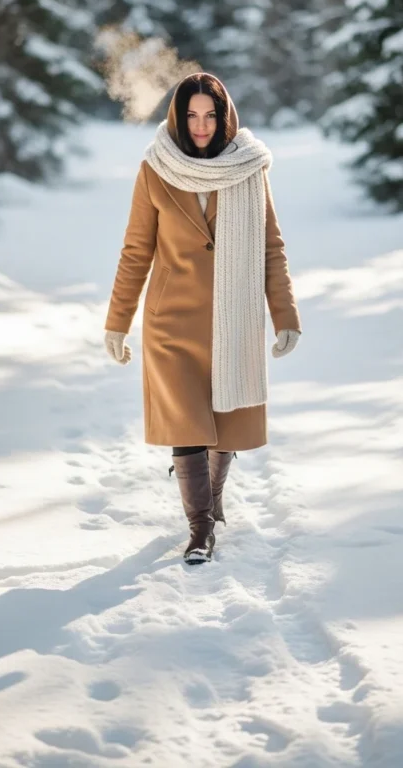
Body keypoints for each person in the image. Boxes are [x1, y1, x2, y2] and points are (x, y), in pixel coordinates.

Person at [104, 72, 302, 564]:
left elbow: (270, 246)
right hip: (171, 321)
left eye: (210, 115)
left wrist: (285, 313)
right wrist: (117, 321)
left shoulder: (250, 167)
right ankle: (200, 530)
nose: (200, 124)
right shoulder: (155, 169)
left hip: (231, 319)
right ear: (177, 117)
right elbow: (135, 251)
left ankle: (212, 502)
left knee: (223, 422)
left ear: (224, 118)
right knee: (187, 425)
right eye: (191, 115)